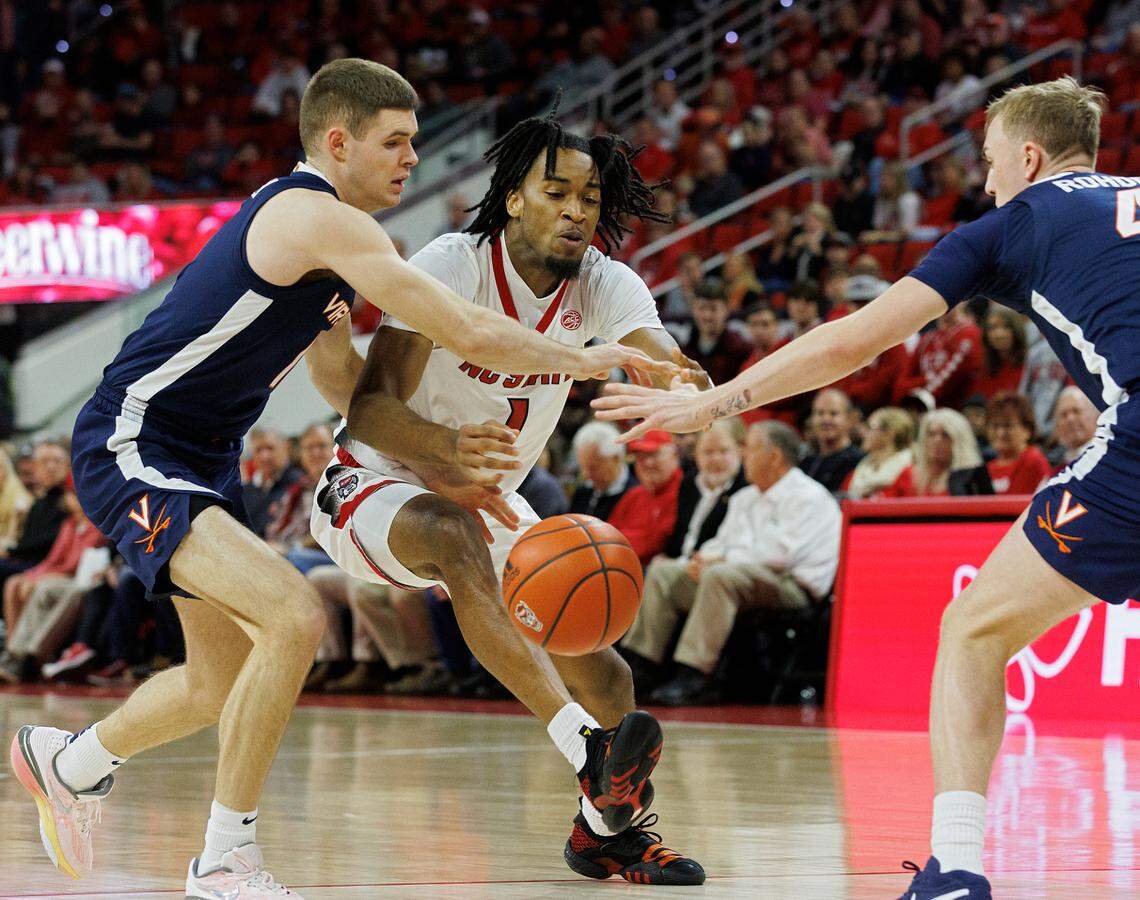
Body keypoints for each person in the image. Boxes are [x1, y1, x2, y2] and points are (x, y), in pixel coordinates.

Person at [11, 59, 663, 897]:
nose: (410, 161)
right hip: (135, 439)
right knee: (293, 614)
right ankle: (224, 860)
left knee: (217, 679)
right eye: (394, 143)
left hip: (203, 454)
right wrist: (583, 357)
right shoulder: (313, 215)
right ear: (337, 139)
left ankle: (71, 761)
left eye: (416, 144)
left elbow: (340, 388)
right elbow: (464, 324)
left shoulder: (328, 249)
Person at [593, 76, 1133, 900]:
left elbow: (856, 340)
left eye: (991, 163)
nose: (985, 183)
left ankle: (954, 870)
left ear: (1028, 156)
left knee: (973, 632)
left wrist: (713, 401)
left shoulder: (1012, 222)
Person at [307, 106, 704, 886]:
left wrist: (687, 385)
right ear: (516, 197)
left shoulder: (602, 282)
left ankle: (604, 833)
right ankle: (583, 751)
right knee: (452, 531)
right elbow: (372, 408)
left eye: (589, 199)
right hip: (374, 483)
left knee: (608, 675)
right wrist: (447, 451)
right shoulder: (453, 264)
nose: (577, 211)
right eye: (558, 193)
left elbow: (659, 354)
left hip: (485, 497)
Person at [620, 421, 840, 706]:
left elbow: (779, 555)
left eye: (749, 448)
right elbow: (720, 542)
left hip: (793, 586)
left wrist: (718, 561)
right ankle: (642, 667)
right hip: (743, 576)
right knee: (665, 572)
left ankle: (696, 675)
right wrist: (699, 559)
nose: (743, 454)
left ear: (774, 457)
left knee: (720, 575)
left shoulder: (807, 497)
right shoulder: (745, 497)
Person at [607, 431, 684, 567]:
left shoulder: (686, 492)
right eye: (641, 457)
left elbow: (658, 542)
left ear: (674, 455)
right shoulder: (633, 495)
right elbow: (606, 535)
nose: (647, 463)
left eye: (654, 455)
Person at [881, 409, 991, 498]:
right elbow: (883, 506)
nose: (937, 440)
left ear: (959, 441)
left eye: (946, 435)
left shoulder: (971, 480)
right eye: (931, 434)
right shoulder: (909, 475)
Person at [679, 277, 752, 387]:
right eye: (702, 308)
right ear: (693, 309)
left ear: (726, 309)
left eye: (713, 309)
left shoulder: (741, 350)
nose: (707, 315)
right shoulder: (684, 351)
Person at [241, 427, 302, 538]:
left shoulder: (300, 482)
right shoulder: (243, 491)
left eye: (270, 448)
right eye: (258, 450)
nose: (265, 456)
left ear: (284, 448)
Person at [984, 392, 1051, 494]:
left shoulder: (1034, 462)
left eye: (1008, 426)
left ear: (1027, 430)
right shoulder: (988, 469)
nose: (1000, 433)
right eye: (994, 426)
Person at [800, 389, 864, 493]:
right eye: (820, 413)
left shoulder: (859, 463)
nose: (826, 419)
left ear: (849, 419)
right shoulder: (806, 463)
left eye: (834, 413)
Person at [842, 407, 915, 498]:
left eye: (870, 427)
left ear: (889, 434)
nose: (864, 433)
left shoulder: (910, 475)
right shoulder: (855, 474)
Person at [569, 420, 635, 520]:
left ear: (615, 459)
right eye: (583, 467)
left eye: (593, 467)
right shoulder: (583, 492)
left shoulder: (635, 496)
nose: (586, 474)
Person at [976, 307, 1027, 399]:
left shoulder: (1029, 363)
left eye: (1006, 327)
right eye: (992, 328)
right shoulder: (984, 367)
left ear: (1016, 330)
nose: (999, 334)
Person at [1049, 385, 1097, 469]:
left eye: (1076, 411)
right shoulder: (1057, 470)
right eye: (1064, 415)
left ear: (1095, 415)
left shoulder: (1106, 455)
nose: (1070, 419)